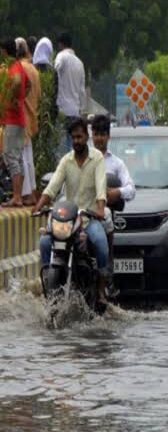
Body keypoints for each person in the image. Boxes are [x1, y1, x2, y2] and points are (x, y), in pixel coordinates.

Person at [32, 118, 109, 310]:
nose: (76, 141)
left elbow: (101, 187)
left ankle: (100, 291)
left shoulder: (97, 158)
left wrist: (100, 208)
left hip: (89, 218)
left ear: (86, 137)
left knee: (101, 244)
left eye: (80, 136)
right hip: (68, 221)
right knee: (44, 242)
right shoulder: (66, 161)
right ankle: (47, 290)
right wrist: (38, 206)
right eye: (73, 137)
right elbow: (52, 187)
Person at [91, 114, 135, 296]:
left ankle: (107, 267)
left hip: (101, 213)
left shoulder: (116, 164)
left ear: (108, 136)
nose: (99, 138)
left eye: (103, 134)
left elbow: (131, 189)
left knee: (107, 215)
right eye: (96, 134)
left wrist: (116, 193)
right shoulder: (80, 158)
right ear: (91, 135)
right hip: (80, 211)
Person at [0, 38, 30, 208]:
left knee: (10, 156)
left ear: (5, 51)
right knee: (16, 157)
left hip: (12, 119)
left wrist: (10, 98)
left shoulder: (13, 67)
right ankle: (19, 195)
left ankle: (17, 196)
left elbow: (18, 81)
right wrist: (20, 98)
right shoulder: (19, 65)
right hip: (18, 119)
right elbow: (29, 85)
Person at [16, 37, 41, 206]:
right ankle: (31, 192)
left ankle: (25, 194)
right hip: (32, 116)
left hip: (20, 117)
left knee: (21, 157)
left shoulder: (19, 68)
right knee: (28, 157)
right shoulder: (33, 69)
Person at [54, 32, 86, 153]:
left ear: (61, 44)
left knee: (61, 150)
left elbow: (55, 70)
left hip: (62, 110)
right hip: (75, 112)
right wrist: (81, 110)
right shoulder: (80, 63)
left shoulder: (61, 56)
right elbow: (82, 90)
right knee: (74, 148)